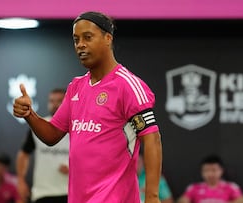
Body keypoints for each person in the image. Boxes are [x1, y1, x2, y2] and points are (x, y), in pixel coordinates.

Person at [13, 11, 162, 203]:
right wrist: (29, 114)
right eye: (76, 39)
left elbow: (153, 139)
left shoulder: (128, 85)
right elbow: (51, 135)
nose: (80, 45)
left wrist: (152, 196)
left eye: (87, 37)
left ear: (108, 38)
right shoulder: (76, 86)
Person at [16, 88, 69, 203]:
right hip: (43, 192)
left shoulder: (78, 126)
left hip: (70, 192)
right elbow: (24, 153)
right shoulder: (39, 126)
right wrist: (20, 179)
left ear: (68, 101)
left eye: (59, 101)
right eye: (51, 101)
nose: (55, 104)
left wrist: (74, 168)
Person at [178, 155, 243, 203]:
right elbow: (183, 201)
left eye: (214, 170)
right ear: (202, 172)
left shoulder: (231, 186)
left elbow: (242, 201)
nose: (210, 174)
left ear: (221, 170)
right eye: (206, 170)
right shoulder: (194, 187)